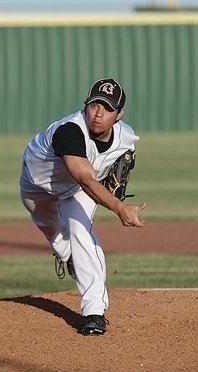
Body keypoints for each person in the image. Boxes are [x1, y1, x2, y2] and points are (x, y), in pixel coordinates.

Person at [19, 78, 146, 336]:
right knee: (56, 236)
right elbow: (86, 179)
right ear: (86, 105)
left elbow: (125, 155)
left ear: (119, 114)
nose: (99, 113)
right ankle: (68, 256)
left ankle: (94, 313)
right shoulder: (70, 131)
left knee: (81, 232)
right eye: (94, 105)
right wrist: (119, 207)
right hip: (37, 185)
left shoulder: (126, 135)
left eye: (108, 108)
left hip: (76, 190)